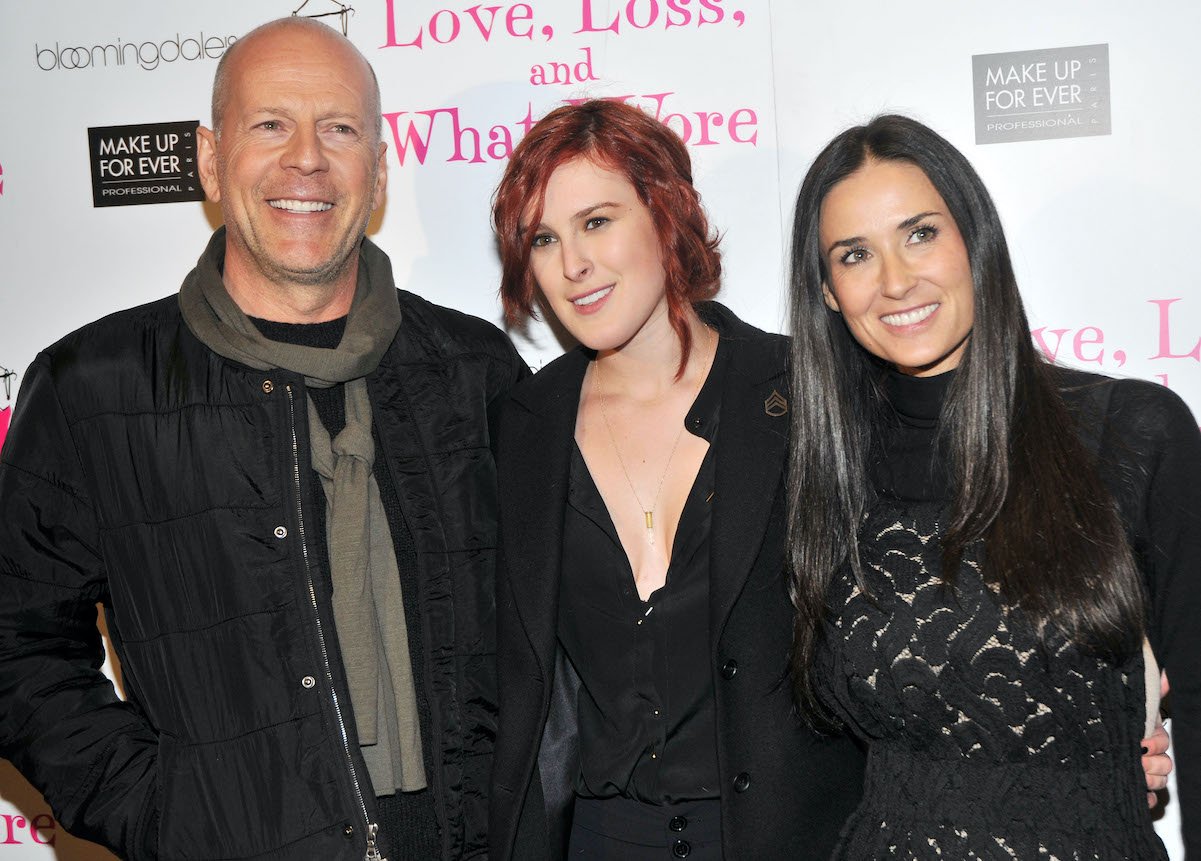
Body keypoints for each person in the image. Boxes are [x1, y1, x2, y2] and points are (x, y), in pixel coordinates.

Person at [0, 17, 526, 860]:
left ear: (379, 168)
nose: (306, 159)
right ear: (210, 159)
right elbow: (15, 644)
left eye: (339, 129)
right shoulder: (93, 388)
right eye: (270, 124)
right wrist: (166, 809)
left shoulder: (474, 369)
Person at [785, 114, 1200, 858]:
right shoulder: (820, 470)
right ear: (825, 290)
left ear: (974, 240)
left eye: (919, 233)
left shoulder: (1130, 432)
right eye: (854, 254)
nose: (895, 280)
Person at [487, 98, 868, 861]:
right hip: (601, 839)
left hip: (792, 837)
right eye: (543, 239)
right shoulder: (519, 428)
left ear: (665, 214)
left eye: (596, 221)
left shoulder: (806, 393)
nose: (572, 266)